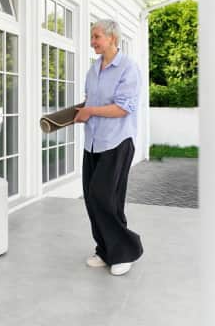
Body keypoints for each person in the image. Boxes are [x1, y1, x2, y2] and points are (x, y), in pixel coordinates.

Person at [73, 19, 143, 276]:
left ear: (112, 38)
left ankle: (125, 251)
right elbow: (90, 101)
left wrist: (90, 110)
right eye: (92, 37)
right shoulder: (93, 70)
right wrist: (78, 111)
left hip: (117, 141)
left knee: (106, 197)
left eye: (97, 36)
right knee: (92, 198)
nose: (92, 42)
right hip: (93, 143)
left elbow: (124, 107)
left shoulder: (128, 68)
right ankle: (105, 250)